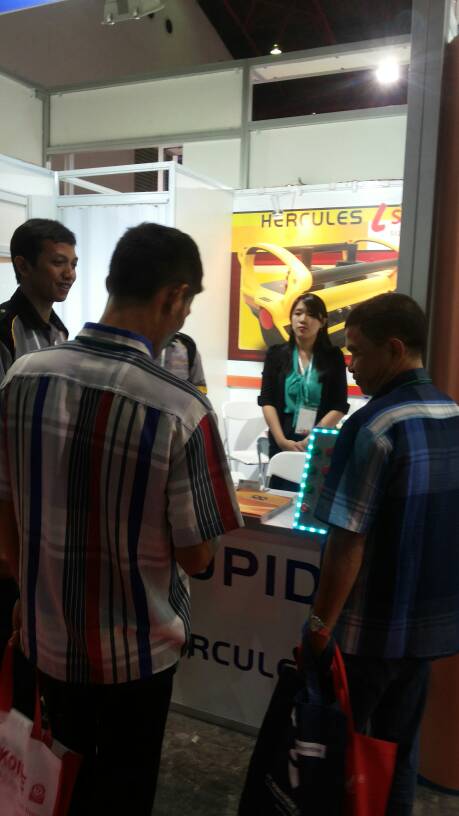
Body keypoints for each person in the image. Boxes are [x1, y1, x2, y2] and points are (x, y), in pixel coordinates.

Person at [0, 222, 242, 815]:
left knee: (56, 782)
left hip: (45, 638)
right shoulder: (181, 408)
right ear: (174, 296)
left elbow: (5, 510)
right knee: (122, 792)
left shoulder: (22, 377)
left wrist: (26, 586)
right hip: (134, 655)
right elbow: (198, 555)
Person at [307, 292, 459, 815]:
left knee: (340, 757)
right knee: (398, 753)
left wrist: (319, 627)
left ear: (394, 349)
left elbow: (347, 541)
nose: (350, 365)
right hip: (426, 630)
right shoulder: (452, 413)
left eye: (358, 351)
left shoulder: (372, 427)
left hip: (366, 634)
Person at [0, 218, 77, 667]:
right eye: (58, 263)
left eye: (73, 264)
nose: (69, 274)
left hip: (42, 496)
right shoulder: (5, 329)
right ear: (23, 266)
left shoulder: (60, 332)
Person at [258, 292, 348, 488]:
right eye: (298, 313)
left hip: (318, 438)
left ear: (323, 321)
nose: (303, 319)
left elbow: (339, 405)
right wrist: (281, 440)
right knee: (280, 496)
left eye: (311, 315)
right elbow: (267, 400)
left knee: (313, 496)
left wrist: (312, 438)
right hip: (282, 437)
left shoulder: (333, 357)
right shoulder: (276, 354)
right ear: (291, 318)